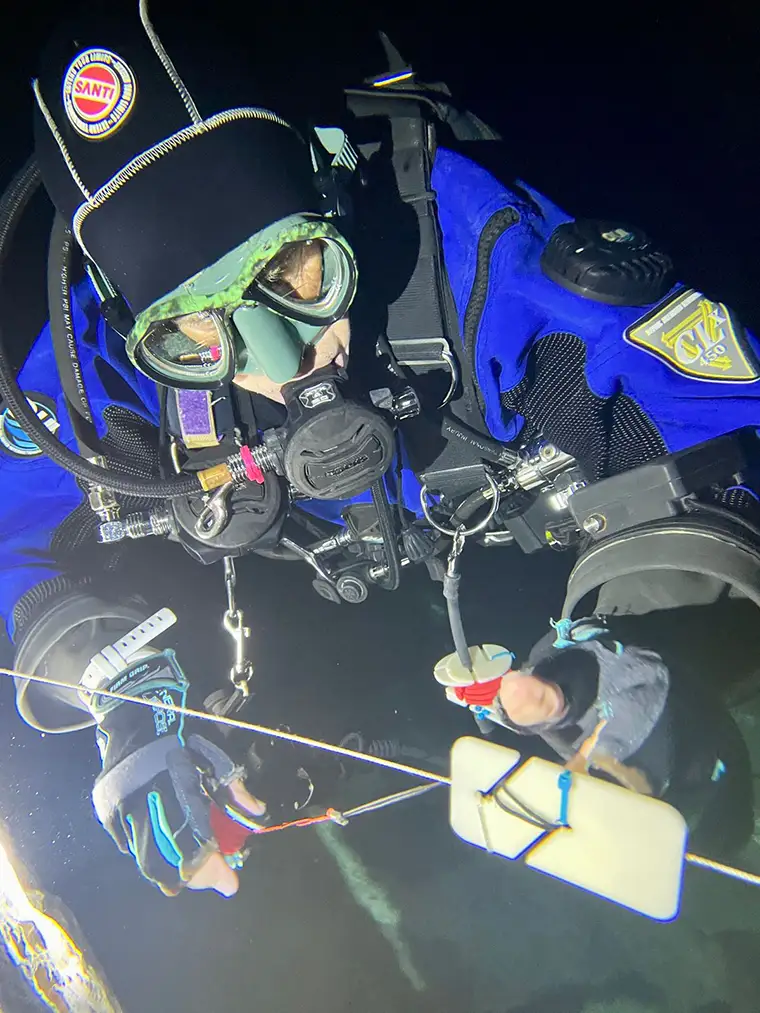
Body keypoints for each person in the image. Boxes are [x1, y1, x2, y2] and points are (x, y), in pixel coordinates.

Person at [3, 1, 760, 897]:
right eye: (201, 329)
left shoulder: (472, 259)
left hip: (527, 549)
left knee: (700, 793)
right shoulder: (100, 367)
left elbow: (713, 415)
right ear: (134, 323)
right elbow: (14, 532)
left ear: (331, 195)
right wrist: (122, 691)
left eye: (290, 272)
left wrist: (620, 655)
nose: (282, 365)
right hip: (337, 604)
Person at [436, 615, 754, 853]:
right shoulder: (544, 663)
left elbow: (639, 705)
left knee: (725, 830)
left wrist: (591, 763)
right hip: (688, 750)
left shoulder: (621, 680)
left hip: (703, 751)